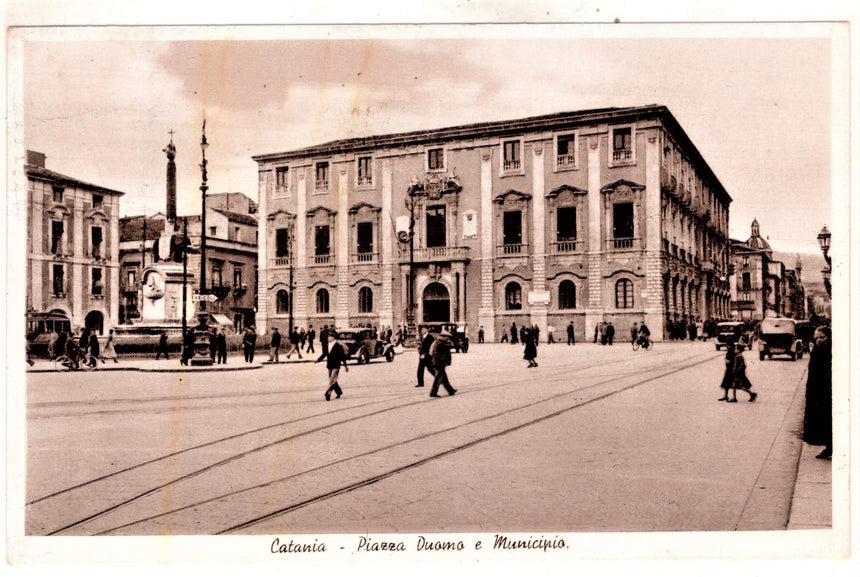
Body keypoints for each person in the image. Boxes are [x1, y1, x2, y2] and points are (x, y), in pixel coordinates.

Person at [803, 327, 832, 459]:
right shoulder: (816, 352)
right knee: (822, 419)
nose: (819, 341)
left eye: (822, 337)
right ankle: (829, 446)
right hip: (818, 391)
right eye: (816, 338)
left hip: (829, 391)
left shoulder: (832, 352)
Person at [429, 331, 457, 397]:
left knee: (444, 378)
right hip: (439, 363)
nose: (448, 338)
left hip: (438, 362)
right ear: (443, 337)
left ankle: (450, 390)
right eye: (447, 337)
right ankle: (433, 393)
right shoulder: (440, 343)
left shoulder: (438, 342)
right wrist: (450, 342)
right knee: (438, 378)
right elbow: (451, 345)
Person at [324, 331, 348, 401]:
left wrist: (345, 366)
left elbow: (342, 356)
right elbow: (324, 354)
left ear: (333, 338)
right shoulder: (327, 345)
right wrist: (318, 360)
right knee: (333, 379)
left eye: (330, 337)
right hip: (329, 364)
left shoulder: (338, 346)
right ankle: (339, 392)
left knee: (332, 379)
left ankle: (328, 393)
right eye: (328, 336)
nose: (328, 338)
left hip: (336, 365)